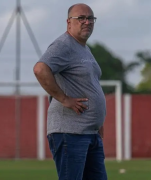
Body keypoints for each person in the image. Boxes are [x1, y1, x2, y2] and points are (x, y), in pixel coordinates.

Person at [33, 3, 107, 180]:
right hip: (70, 133)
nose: (87, 22)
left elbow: (90, 86)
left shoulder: (84, 49)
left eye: (90, 18)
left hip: (90, 133)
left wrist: (98, 123)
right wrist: (64, 99)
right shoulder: (64, 45)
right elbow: (40, 69)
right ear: (68, 22)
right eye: (81, 18)